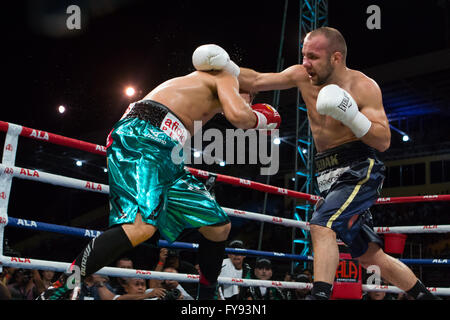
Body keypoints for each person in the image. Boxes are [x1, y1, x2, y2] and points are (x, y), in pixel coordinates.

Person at [192, 30, 439, 300]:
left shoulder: (362, 86)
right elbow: (257, 80)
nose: (305, 62)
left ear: (336, 57)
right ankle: (427, 297)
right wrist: (225, 66)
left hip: (359, 168)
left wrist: (352, 115)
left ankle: (319, 295)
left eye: (313, 56)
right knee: (370, 256)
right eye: (303, 55)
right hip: (327, 174)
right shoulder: (302, 75)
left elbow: (383, 140)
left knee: (321, 225)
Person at [38, 50, 281, 300]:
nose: (247, 104)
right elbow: (247, 110)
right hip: (143, 135)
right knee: (139, 228)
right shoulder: (223, 77)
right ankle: (58, 289)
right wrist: (261, 119)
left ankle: (206, 300)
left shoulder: (207, 101)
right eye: (248, 98)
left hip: (167, 157)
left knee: (218, 226)